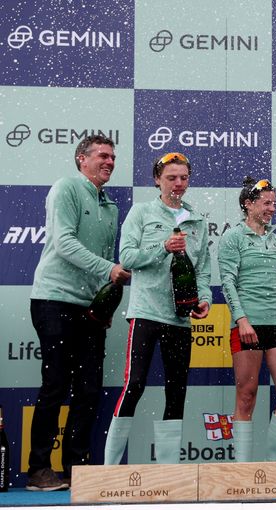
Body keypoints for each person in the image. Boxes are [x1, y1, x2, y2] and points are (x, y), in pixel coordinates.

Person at [27, 135, 130, 490]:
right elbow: (64, 242)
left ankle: (76, 469)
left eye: (112, 157)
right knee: (56, 384)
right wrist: (109, 270)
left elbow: (102, 259)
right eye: (102, 155)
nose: (109, 161)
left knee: (88, 389)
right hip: (54, 300)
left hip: (90, 310)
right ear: (81, 159)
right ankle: (38, 470)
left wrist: (104, 303)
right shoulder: (66, 188)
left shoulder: (111, 206)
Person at [104, 152, 211, 465]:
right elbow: (127, 258)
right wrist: (162, 247)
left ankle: (169, 470)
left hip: (180, 318)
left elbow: (203, 269)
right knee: (135, 384)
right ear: (157, 180)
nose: (178, 183)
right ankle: (109, 468)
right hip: (146, 313)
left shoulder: (198, 220)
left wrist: (204, 298)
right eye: (171, 178)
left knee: (176, 390)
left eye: (183, 178)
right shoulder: (142, 212)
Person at [218, 177, 276, 462]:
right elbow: (228, 283)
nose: (272, 208)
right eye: (266, 203)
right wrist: (241, 319)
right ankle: (243, 470)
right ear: (248, 204)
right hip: (249, 325)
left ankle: (271, 466)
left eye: (274, 203)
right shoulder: (233, 237)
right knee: (246, 396)